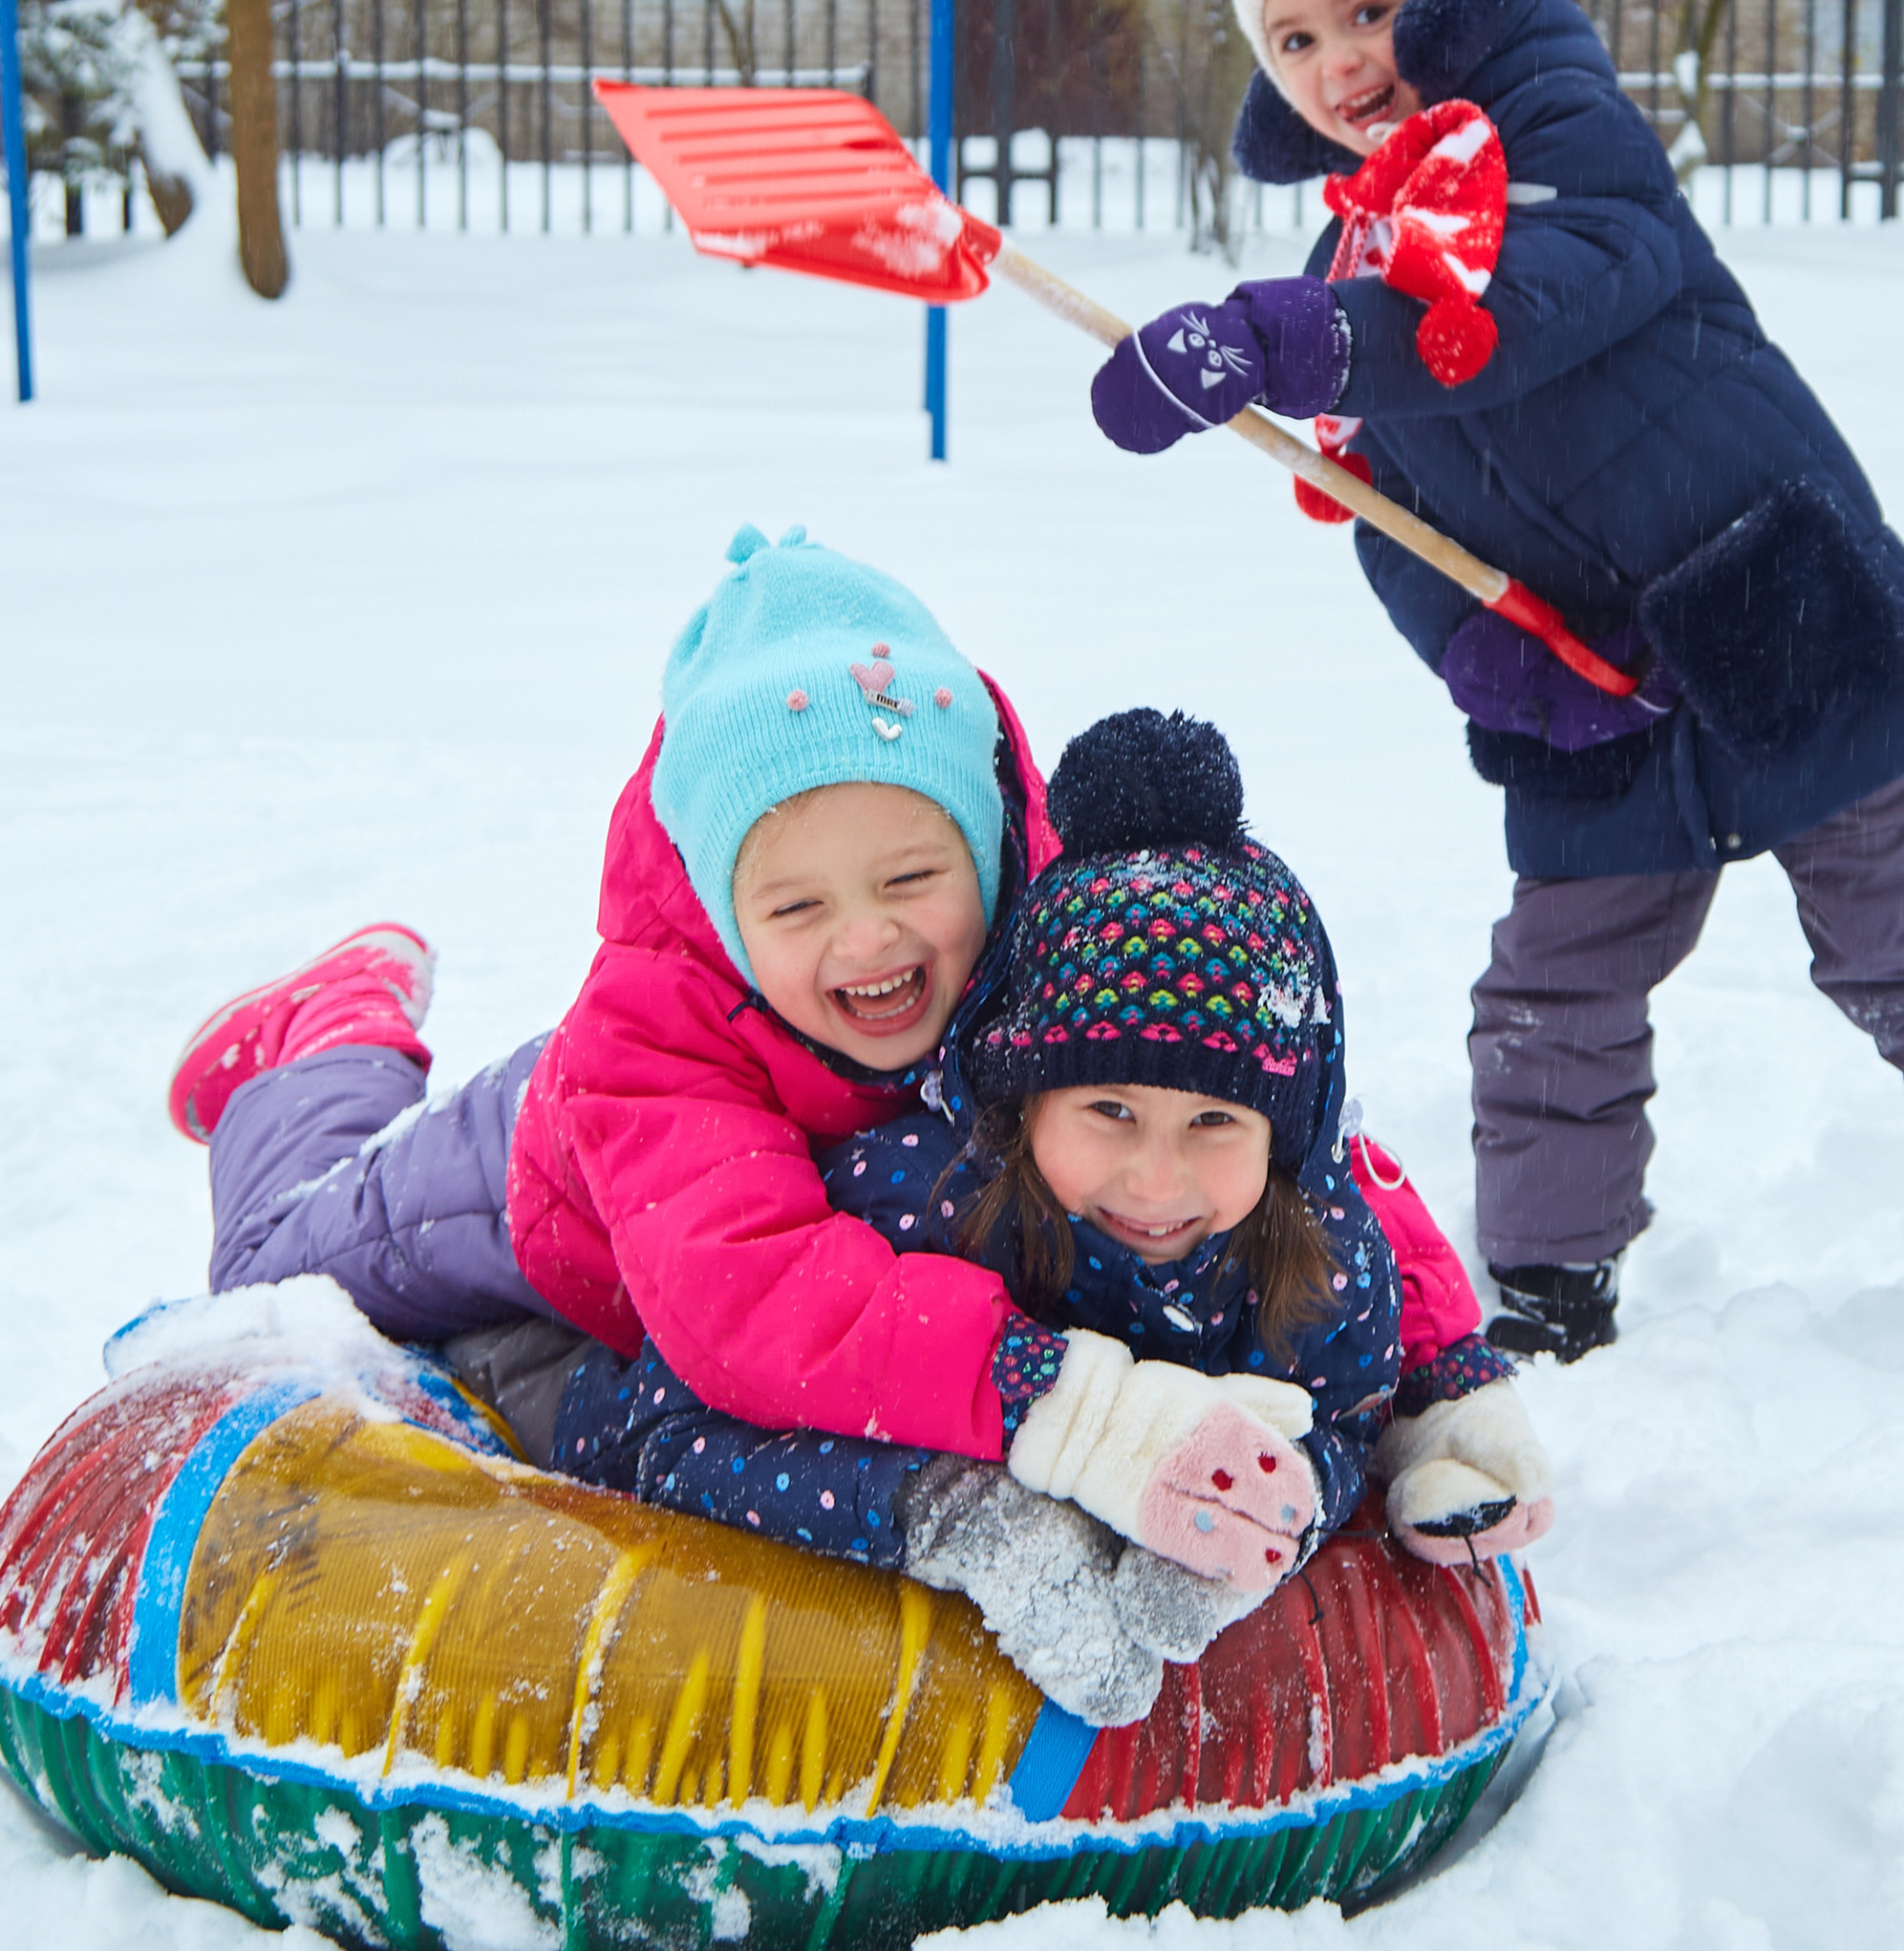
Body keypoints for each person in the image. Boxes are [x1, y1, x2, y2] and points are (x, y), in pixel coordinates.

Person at [1084, 0, 1904, 1367]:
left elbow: (1510, 317)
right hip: (1592, 670)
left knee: (1902, 930)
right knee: (1552, 994)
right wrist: (1483, 652)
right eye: (1293, 40)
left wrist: (1278, 337)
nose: (1340, 60)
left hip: (1775, 599)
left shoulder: (1556, 122)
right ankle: (1552, 1295)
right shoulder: (1353, 244)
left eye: (1368, 10)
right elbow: (1386, 503)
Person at [168, 531, 1547, 1724]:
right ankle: (327, 1035)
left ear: (990, 856)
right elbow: (751, 1301)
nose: (871, 936)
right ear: (723, 911)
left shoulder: (1050, 927)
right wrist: (1072, 1411)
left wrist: (1445, 1378)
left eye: (910, 876)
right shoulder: (650, 1035)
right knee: (274, 1261)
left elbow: (1293, 1123)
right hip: (559, 1191)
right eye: (798, 908)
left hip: (838, 1208)